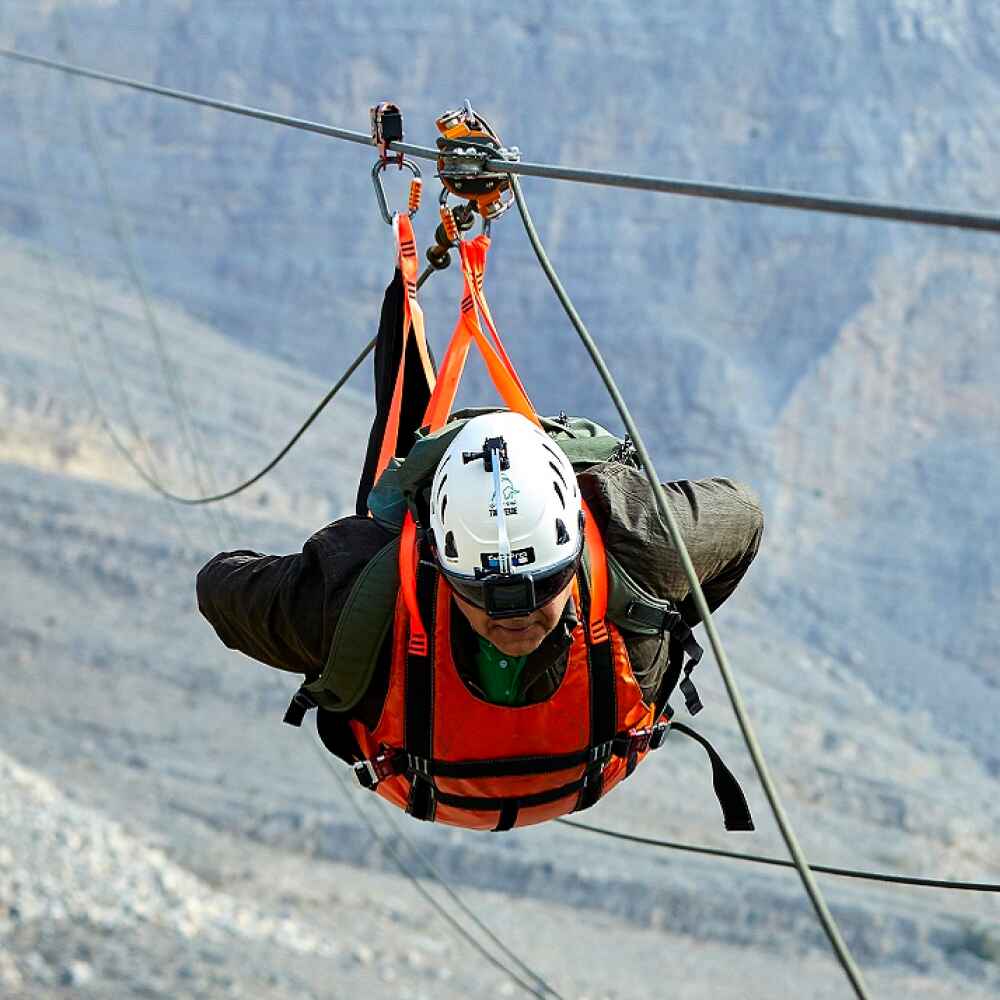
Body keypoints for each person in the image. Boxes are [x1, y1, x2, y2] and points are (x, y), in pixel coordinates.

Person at [197, 271, 764, 831]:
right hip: (590, 760)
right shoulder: (351, 591)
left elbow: (221, 583)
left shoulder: (638, 544)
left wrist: (655, 614)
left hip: (436, 772)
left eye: (542, 585)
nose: (515, 616)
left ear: (572, 552)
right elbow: (741, 518)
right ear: (437, 564)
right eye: (483, 594)